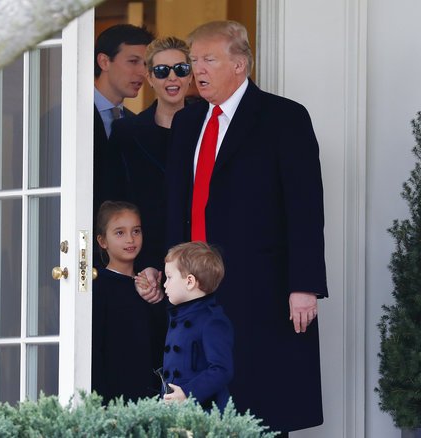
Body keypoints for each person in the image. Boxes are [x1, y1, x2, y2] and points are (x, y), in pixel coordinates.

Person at [165, 21, 328, 435]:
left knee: (261, 402)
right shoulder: (187, 121)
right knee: (198, 403)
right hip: (194, 288)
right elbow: (175, 204)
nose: (197, 70)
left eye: (208, 60)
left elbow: (305, 207)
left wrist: (305, 285)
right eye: (194, 60)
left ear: (239, 64)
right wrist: (163, 268)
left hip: (261, 287)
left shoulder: (283, 117)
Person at [103, 36, 192, 270]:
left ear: (190, 76)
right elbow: (114, 199)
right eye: (162, 71)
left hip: (200, 255)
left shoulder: (208, 127)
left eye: (181, 69)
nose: (172, 77)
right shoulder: (126, 132)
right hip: (146, 258)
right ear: (150, 77)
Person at [91, 201, 166, 403]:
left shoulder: (150, 284)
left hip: (150, 393)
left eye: (136, 231)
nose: (130, 239)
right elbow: (95, 350)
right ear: (102, 241)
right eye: (119, 233)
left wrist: (157, 298)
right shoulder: (98, 287)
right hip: (113, 395)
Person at [158, 241, 234, 411]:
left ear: (190, 281)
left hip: (202, 409)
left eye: (169, 277)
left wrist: (187, 393)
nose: (164, 284)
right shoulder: (179, 315)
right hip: (174, 406)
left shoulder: (212, 321)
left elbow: (222, 370)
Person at [93, 24, 154, 215]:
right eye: (133, 61)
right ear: (104, 62)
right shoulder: (68, 118)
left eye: (145, 64)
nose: (142, 72)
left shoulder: (136, 124)